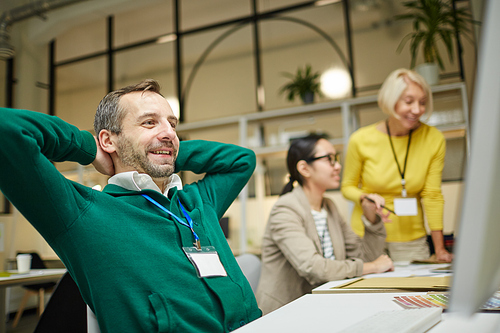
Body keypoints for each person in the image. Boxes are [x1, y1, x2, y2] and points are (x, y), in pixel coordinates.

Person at [0, 79, 261, 332]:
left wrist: (160, 152)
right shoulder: (84, 214)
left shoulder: (197, 202)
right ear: (108, 140)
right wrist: (88, 148)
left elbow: (241, 160)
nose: (170, 132)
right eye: (149, 122)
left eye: (172, 124)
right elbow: (6, 130)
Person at [256, 133, 393, 315]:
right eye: (329, 159)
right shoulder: (285, 209)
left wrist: (371, 216)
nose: (338, 166)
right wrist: (373, 267)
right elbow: (314, 267)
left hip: (323, 305)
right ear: (305, 168)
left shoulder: (329, 207)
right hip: (286, 312)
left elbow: (364, 256)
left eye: (336, 159)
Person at [341, 68, 453, 263]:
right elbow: (347, 187)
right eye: (409, 102)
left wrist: (440, 248)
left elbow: (432, 195)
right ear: (390, 101)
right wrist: (364, 197)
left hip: (412, 240)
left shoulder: (433, 139)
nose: (417, 110)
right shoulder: (360, 139)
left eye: (423, 102)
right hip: (367, 235)